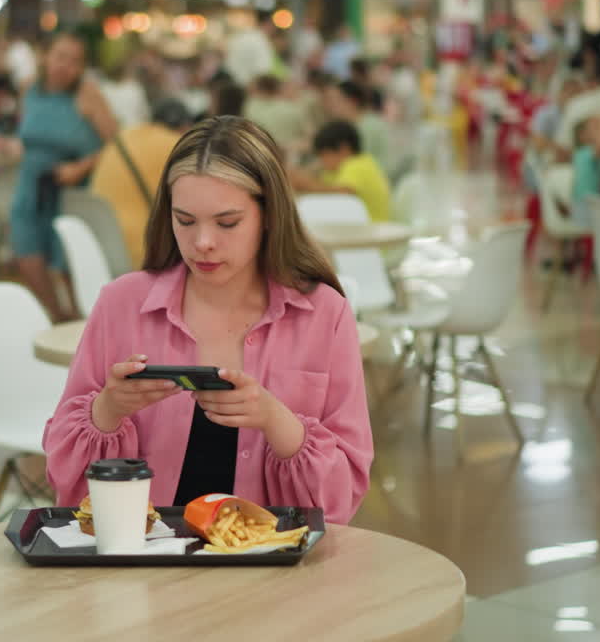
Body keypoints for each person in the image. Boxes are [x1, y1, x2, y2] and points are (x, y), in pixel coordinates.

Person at [43, 116, 374, 524]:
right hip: (141, 564)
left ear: (269, 214)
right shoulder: (121, 304)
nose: (202, 243)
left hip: (274, 573)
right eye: (185, 221)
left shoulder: (326, 314)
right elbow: (63, 477)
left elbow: (345, 495)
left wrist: (275, 420)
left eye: (227, 223)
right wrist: (107, 409)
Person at [11, 32, 117, 321]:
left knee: (68, 260)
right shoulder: (29, 88)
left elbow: (115, 145)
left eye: (75, 61)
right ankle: (56, 317)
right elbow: (29, 136)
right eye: (60, 57)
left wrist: (80, 168)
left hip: (73, 186)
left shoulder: (88, 94)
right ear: (45, 57)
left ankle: (84, 324)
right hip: (32, 182)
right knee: (26, 251)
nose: (65, 66)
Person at [92, 99, 191, 269]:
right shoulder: (175, 144)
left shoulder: (122, 138)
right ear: (185, 127)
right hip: (143, 252)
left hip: (100, 246)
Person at [288, 120, 391, 222]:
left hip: (374, 228)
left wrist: (306, 185)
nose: (322, 161)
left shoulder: (358, 164)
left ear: (343, 148)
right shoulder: (334, 171)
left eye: (324, 155)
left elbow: (344, 193)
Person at [322, 80, 395, 180]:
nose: (329, 106)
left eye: (335, 101)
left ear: (352, 101)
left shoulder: (369, 126)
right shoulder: (352, 126)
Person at [243, 75, 307, 156]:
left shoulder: (250, 107)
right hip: (291, 156)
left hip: (259, 155)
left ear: (258, 89)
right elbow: (308, 139)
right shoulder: (293, 108)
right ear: (279, 88)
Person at [570, 112, 600, 227]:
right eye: (595, 128)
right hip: (585, 207)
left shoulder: (590, 154)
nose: (599, 131)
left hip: (591, 206)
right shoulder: (584, 153)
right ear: (583, 135)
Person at [225, 9, 278, 87]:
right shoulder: (261, 41)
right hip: (250, 87)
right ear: (268, 23)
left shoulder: (241, 37)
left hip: (232, 84)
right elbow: (262, 71)